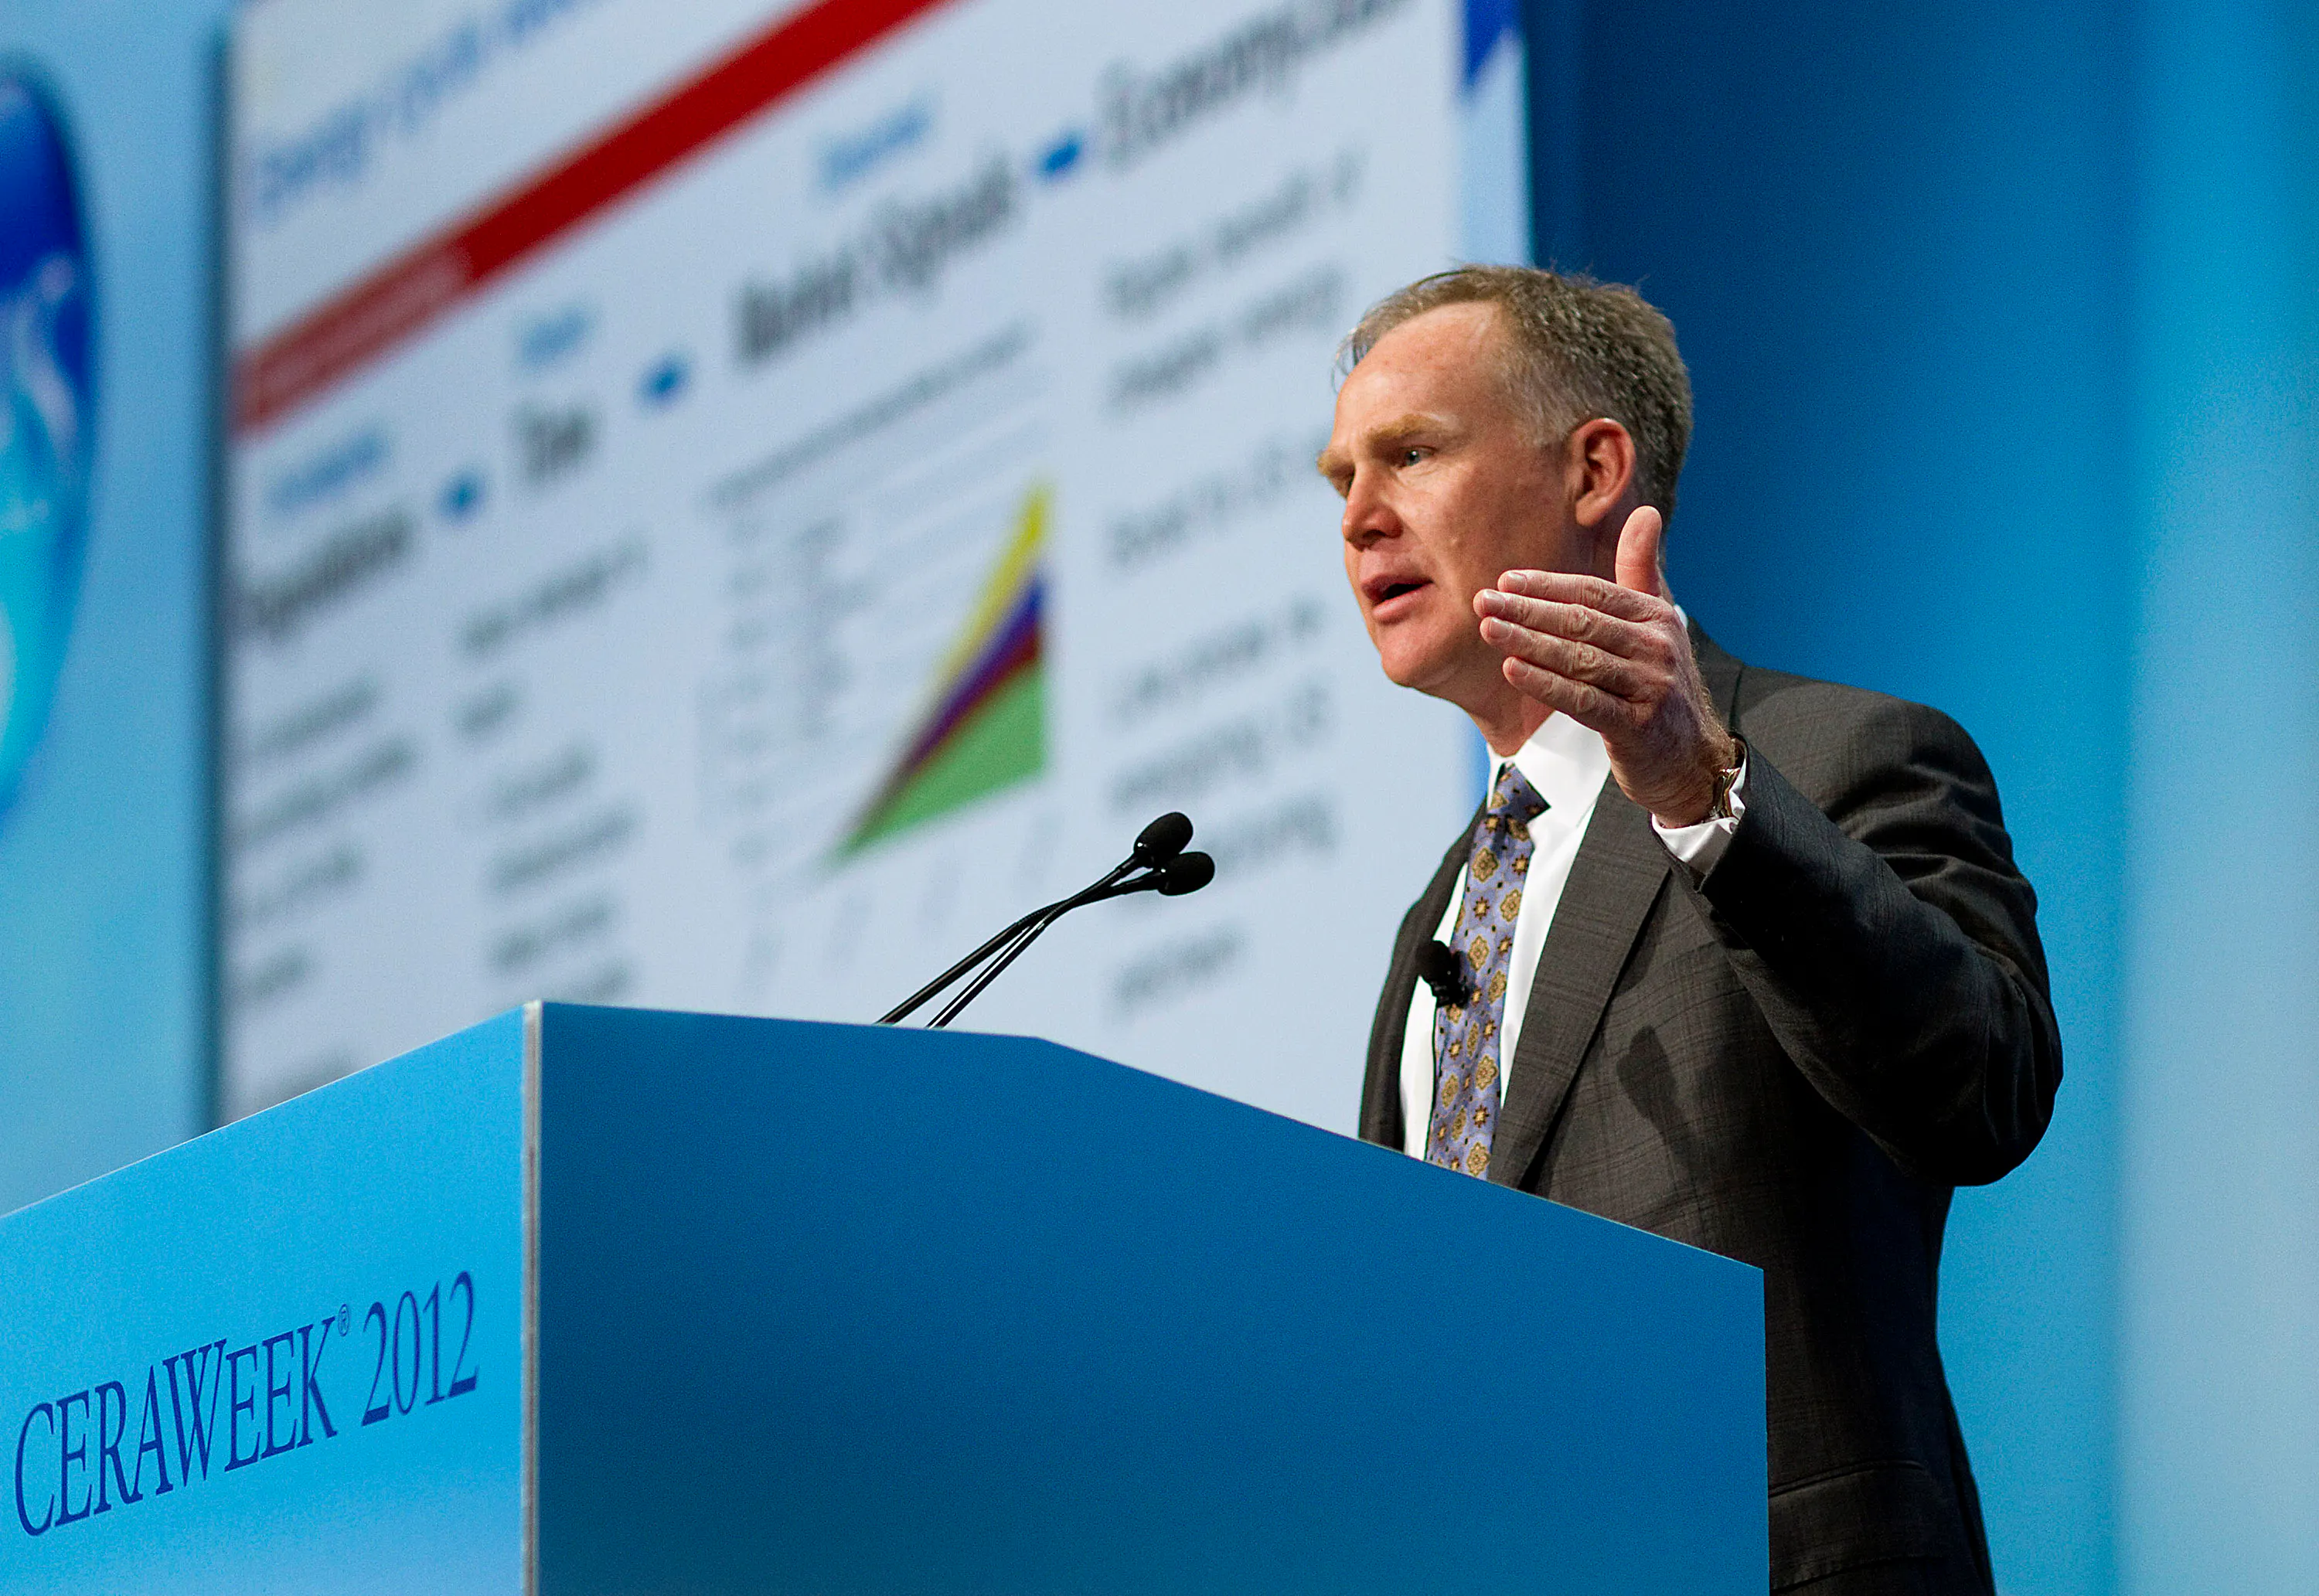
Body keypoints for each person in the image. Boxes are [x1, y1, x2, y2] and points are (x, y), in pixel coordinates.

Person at [1317, 266, 2061, 1596]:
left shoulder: (1832, 758)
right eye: (1340, 482)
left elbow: (1983, 1088)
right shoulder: (1434, 918)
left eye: (1411, 456)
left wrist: (1701, 792)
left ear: (1596, 467)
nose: (1361, 518)